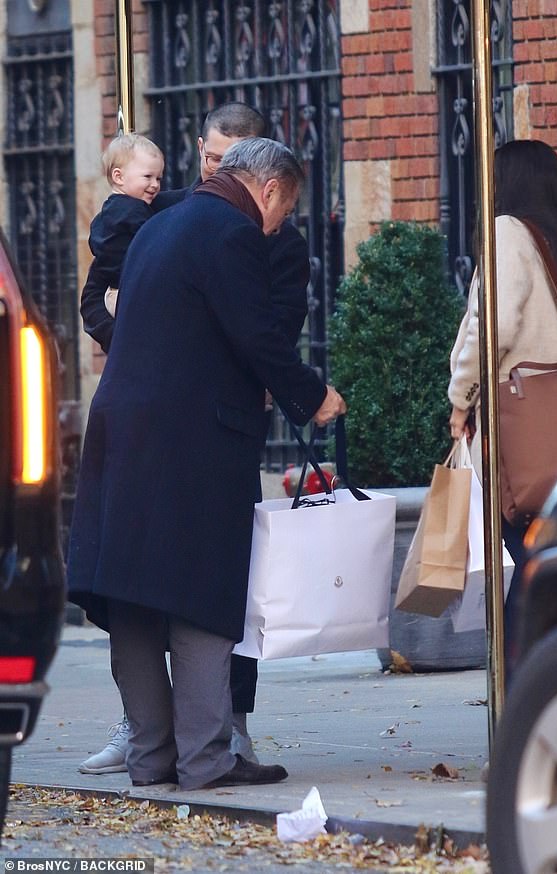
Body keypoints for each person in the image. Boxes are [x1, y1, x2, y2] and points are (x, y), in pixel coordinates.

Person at [67, 137, 347, 790]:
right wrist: (313, 395)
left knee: (131, 593)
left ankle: (153, 757)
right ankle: (204, 759)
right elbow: (254, 334)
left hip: (119, 428)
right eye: (286, 208)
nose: (279, 224)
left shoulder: (161, 225)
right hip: (190, 441)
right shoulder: (232, 232)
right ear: (270, 189)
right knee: (201, 592)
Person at [447, 139, 557, 666]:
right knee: (546, 557)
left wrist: (461, 399)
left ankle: (523, 685)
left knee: (518, 562)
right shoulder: (554, 241)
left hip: (518, 430)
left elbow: (491, 328)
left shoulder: (507, 233)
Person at [84, 134, 164, 328]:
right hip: (131, 293)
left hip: (112, 293)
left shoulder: (107, 213)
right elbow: (156, 245)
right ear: (118, 177)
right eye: (148, 177)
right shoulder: (135, 211)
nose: (155, 184)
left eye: (159, 178)